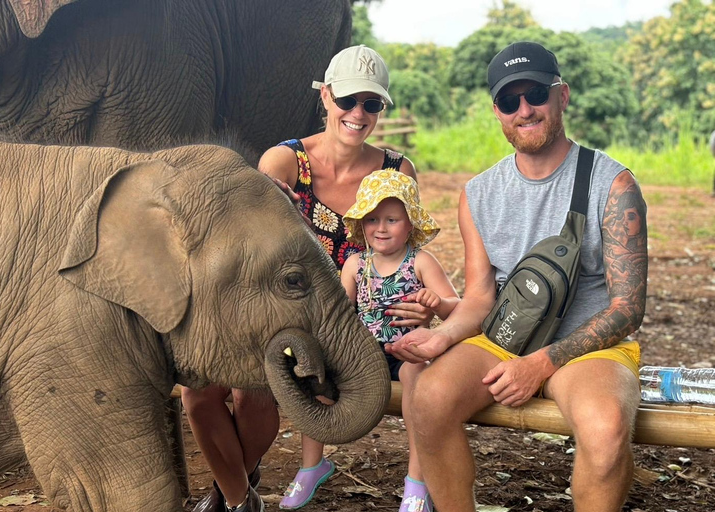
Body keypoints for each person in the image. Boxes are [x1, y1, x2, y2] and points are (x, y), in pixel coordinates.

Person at [386, 41, 648, 512]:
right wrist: (440, 337)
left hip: (590, 349)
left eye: (536, 95)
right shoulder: (479, 193)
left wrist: (542, 364)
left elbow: (628, 310)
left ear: (562, 95)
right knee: (428, 399)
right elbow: (481, 298)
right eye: (510, 101)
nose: (524, 110)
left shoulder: (613, 184)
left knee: (607, 430)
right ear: (497, 111)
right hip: (505, 337)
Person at [183, 44, 431, 512]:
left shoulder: (398, 171)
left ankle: (230, 495)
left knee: (249, 389)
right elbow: (249, 254)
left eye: (371, 103)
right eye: (348, 101)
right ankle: (239, 495)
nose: (358, 113)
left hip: (352, 325)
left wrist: (420, 299)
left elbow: (405, 255)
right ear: (326, 97)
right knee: (198, 392)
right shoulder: (283, 163)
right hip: (275, 308)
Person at [335, 170, 458, 512]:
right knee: (322, 376)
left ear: (410, 225)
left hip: (410, 349)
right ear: (361, 225)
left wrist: (438, 303)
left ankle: (417, 482)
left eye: (392, 219)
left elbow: (459, 311)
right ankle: (311, 465)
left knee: (416, 377)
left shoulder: (420, 262)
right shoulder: (356, 264)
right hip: (365, 353)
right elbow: (342, 313)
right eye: (372, 219)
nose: (381, 228)